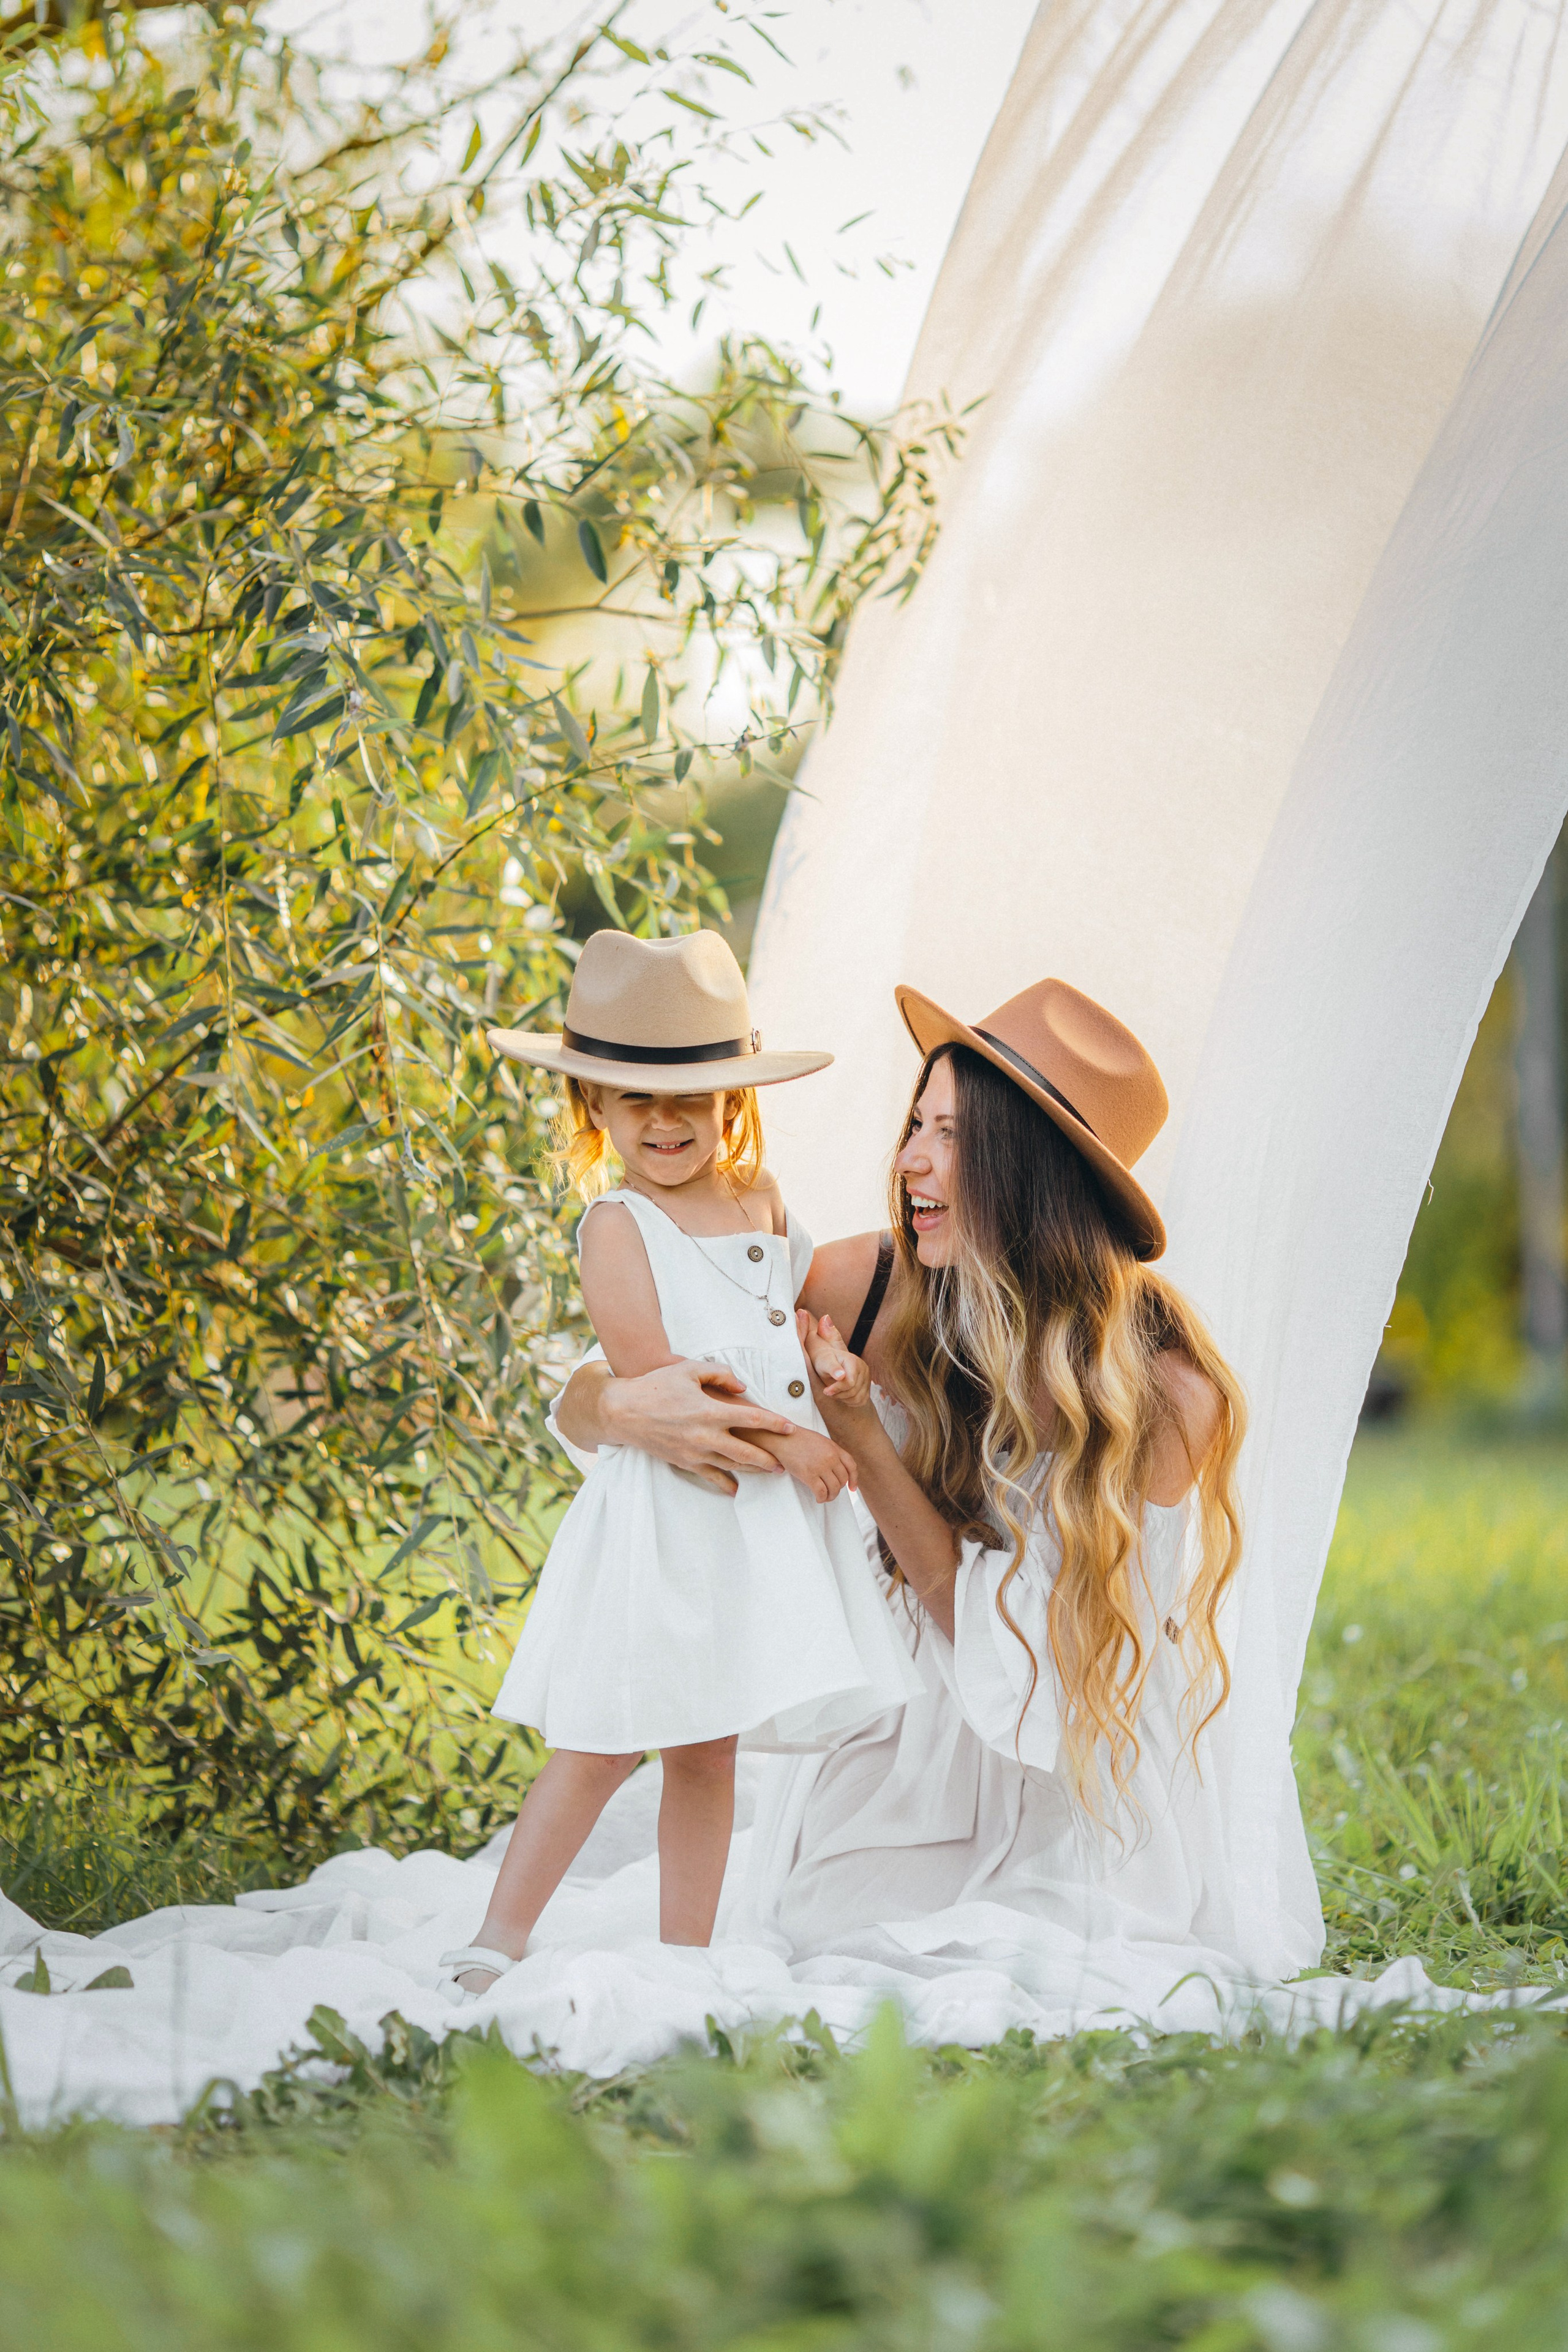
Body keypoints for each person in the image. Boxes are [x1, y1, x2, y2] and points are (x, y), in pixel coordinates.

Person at [553, 974, 1249, 1975]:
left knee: (1058, 1948)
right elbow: (645, 1359)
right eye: (916, 1123)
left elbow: (1025, 1666)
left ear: (1037, 1171)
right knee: (833, 1935)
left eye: (956, 1137)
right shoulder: (862, 1285)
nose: (912, 1161)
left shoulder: (1168, 1397)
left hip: (1074, 1751)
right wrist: (616, 1405)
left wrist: (866, 1446)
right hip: (914, 1727)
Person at [438, 929, 921, 1999]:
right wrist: (791, 1444)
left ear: (732, 1101)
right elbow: (663, 1383)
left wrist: (825, 1375)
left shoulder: (762, 1202)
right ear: (593, 1112)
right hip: (673, 1516)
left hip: (749, 1533)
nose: (664, 1122)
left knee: (709, 1749)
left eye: (690, 1099)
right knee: (606, 1738)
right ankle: (500, 1936)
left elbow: (784, 1327)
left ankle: (685, 1957)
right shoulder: (618, 1223)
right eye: (632, 1100)